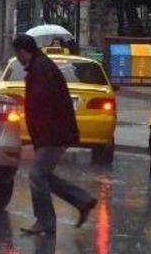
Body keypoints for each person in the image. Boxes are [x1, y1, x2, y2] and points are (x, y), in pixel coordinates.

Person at [12, 33, 97, 235]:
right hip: (54, 132)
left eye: (17, 54)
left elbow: (45, 106)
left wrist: (42, 138)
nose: (17, 58)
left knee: (36, 175)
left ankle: (45, 221)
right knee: (43, 176)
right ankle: (82, 200)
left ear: (23, 52)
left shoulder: (40, 69)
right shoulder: (40, 66)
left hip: (53, 133)